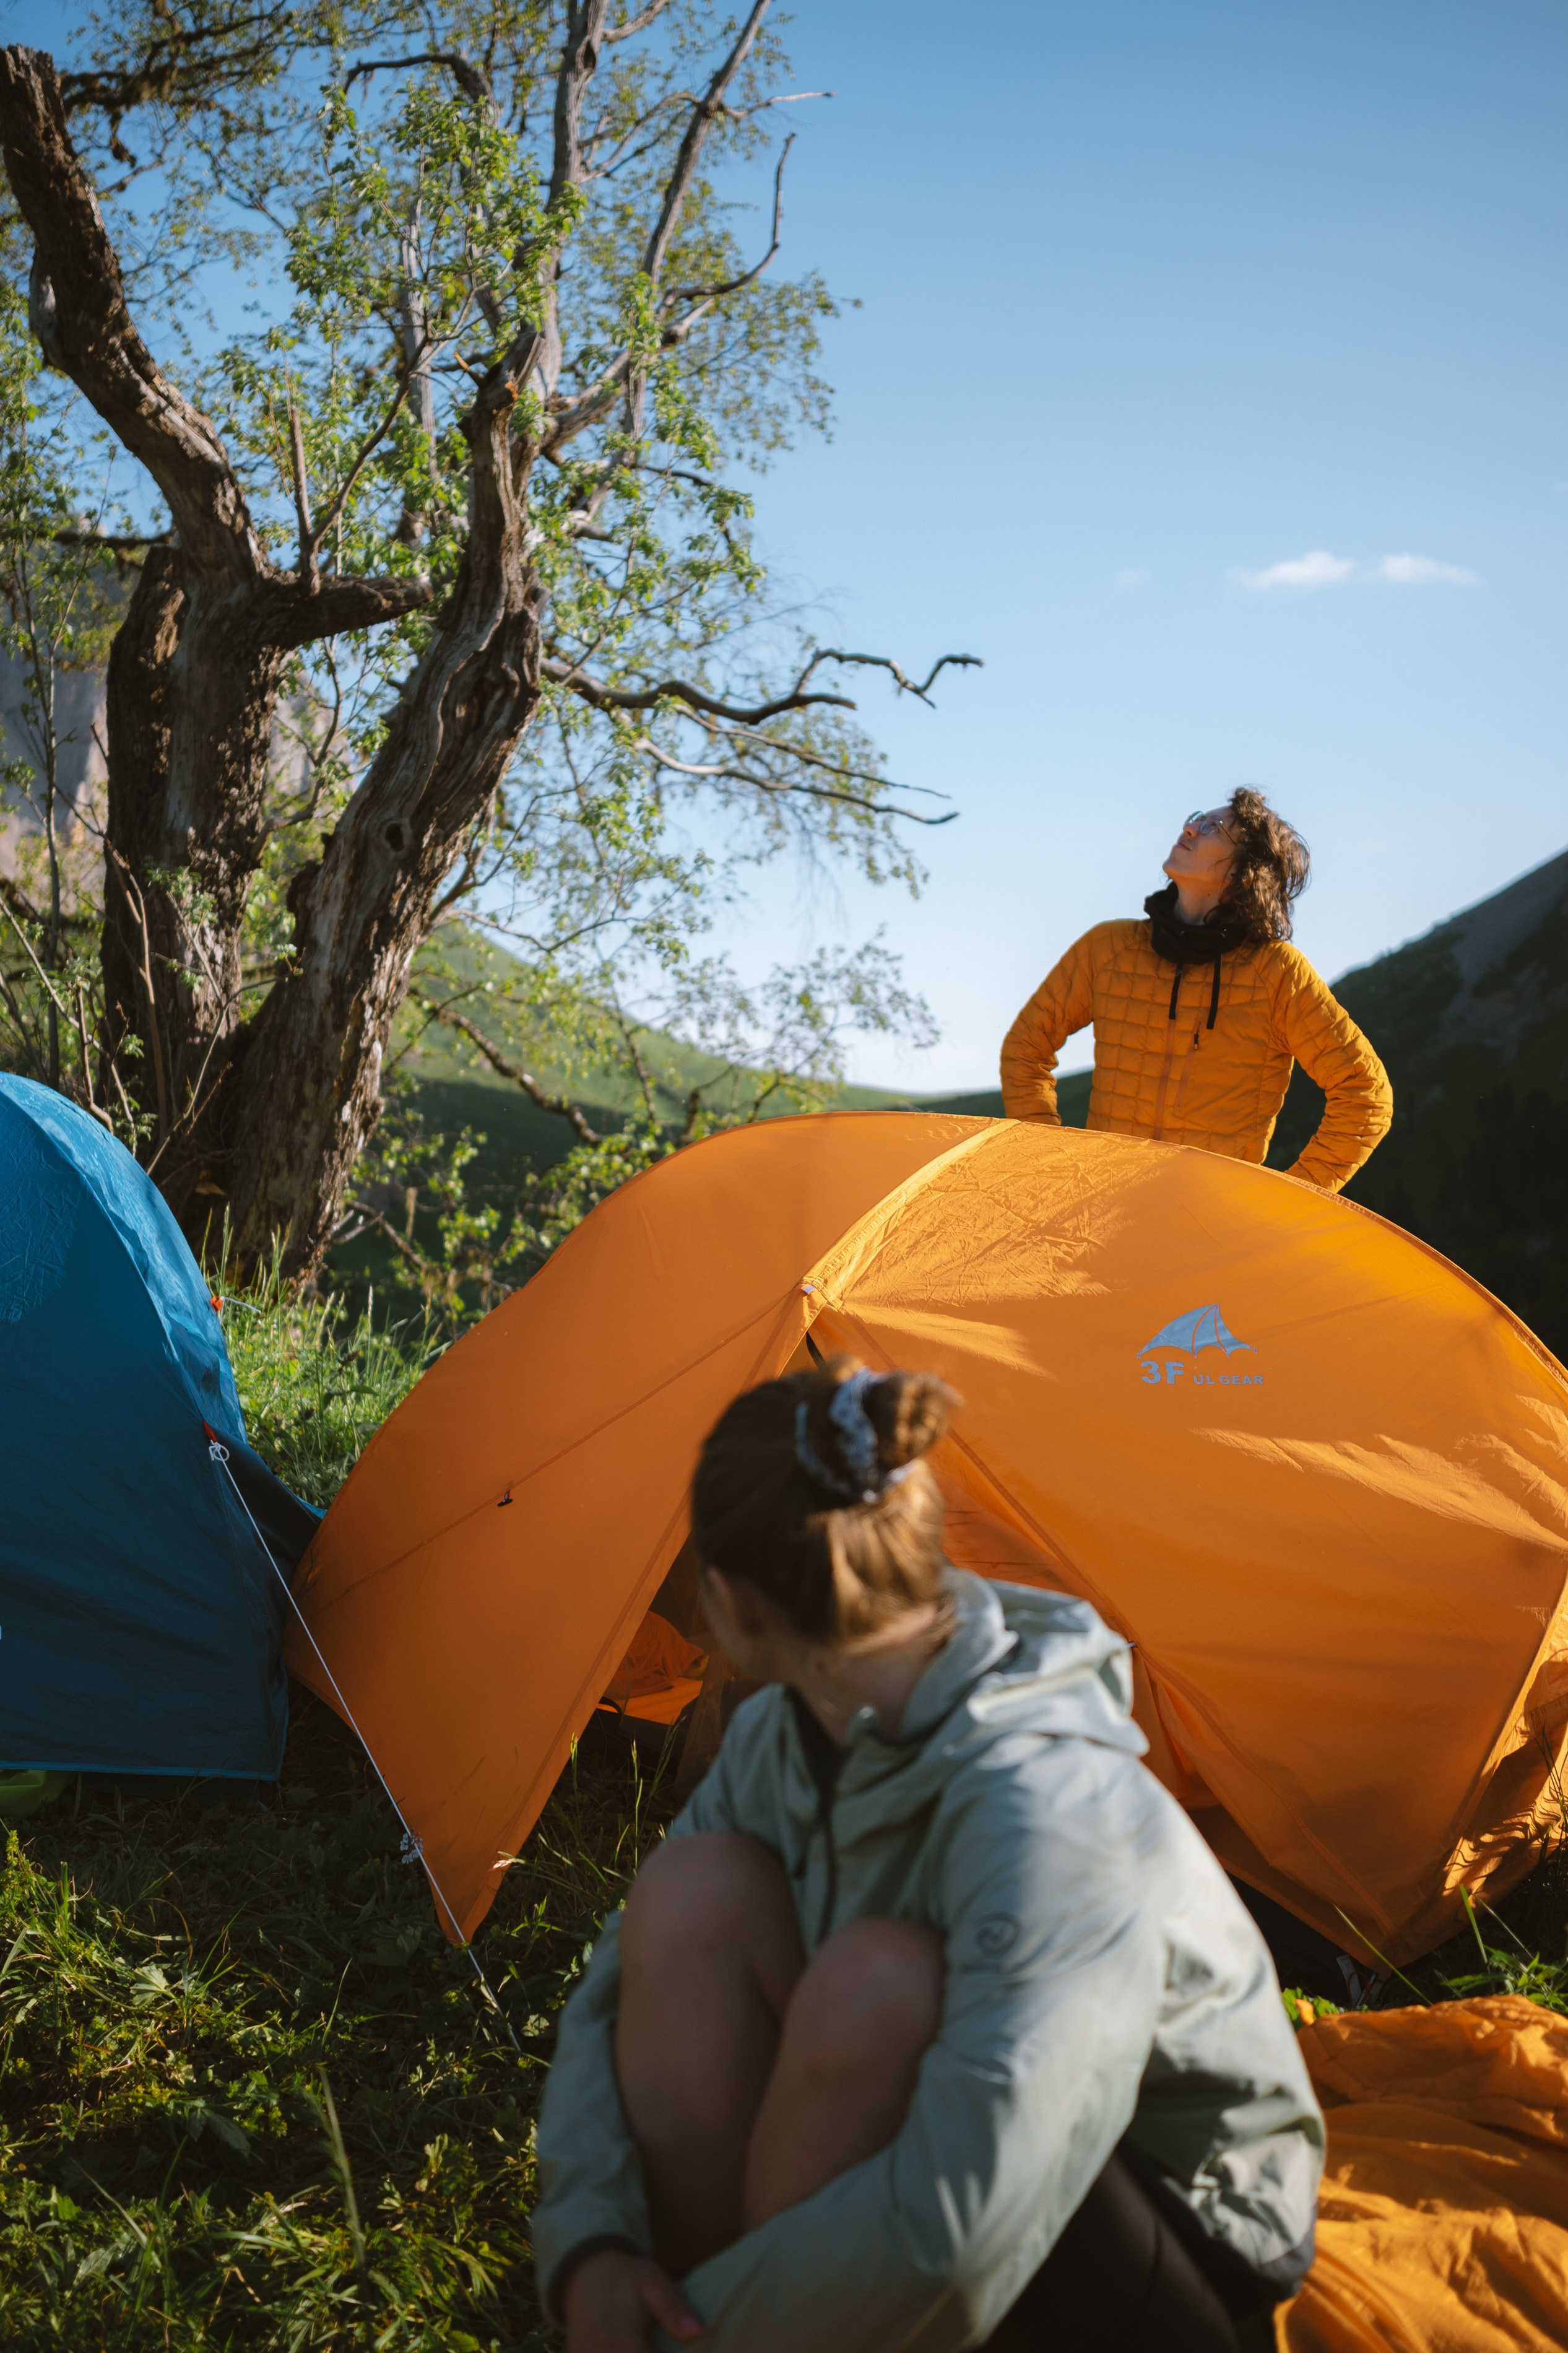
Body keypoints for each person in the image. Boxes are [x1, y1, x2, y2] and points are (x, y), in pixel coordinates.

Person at [531, 1357, 1324, 2352]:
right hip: (956, 2154)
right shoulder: (784, 1733)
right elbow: (620, 1986)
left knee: (874, 1983)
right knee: (692, 1893)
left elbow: (970, 2215)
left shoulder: (1049, 1806)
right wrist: (594, 2244)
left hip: (1173, 2241)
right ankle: (683, 2302)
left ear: (729, 1604)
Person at [1000, 790, 1391, 1190]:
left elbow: (1365, 1094)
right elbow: (1025, 1048)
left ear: (1240, 873)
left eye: (1213, 827)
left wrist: (1291, 1199)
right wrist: (1047, 1155)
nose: (1189, 828)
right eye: (1197, 817)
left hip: (1208, 1217)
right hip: (1098, 1205)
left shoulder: (1276, 973)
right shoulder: (1109, 948)